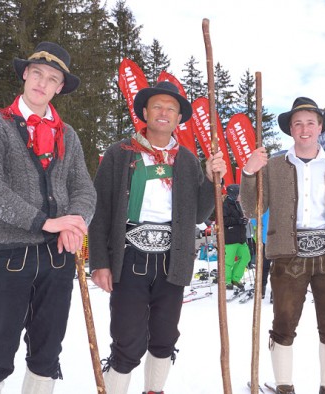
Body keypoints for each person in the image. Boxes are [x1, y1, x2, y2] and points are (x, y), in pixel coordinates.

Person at [0, 42, 97, 394]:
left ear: (59, 88)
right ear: (25, 74)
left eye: (52, 78)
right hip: (9, 255)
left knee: (47, 354)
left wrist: (75, 222)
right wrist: (46, 222)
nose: (42, 82)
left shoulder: (68, 135)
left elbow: (84, 189)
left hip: (58, 259)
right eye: (37, 73)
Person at [88, 81, 227, 394]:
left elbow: (199, 215)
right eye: (157, 106)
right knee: (127, 341)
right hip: (129, 260)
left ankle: (154, 390)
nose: (164, 113)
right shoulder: (120, 154)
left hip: (172, 261)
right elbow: (99, 211)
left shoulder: (188, 160)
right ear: (145, 113)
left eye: (171, 109)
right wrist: (99, 261)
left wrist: (210, 180)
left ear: (179, 118)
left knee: (164, 338)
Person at [241, 97, 325, 394]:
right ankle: (284, 387)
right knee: (283, 326)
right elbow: (251, 208)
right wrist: (248, 172)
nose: (304, 129)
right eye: (298, 124)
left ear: (320, 127)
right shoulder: (272, 168)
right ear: (290, 130)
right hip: (287, 257)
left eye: (310, 123)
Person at [223, 184, 251, 290]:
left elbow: (239, 218)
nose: (240, 195)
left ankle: (235, 278)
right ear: (233, 194)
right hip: (230, 237)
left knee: (245, 257)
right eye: (239, 193)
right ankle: (226, 281)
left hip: (240, 237)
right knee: (228, 261)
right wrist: (238, 221)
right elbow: (223, 220)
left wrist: (244, 220)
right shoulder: (225, 205)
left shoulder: (237, 203)